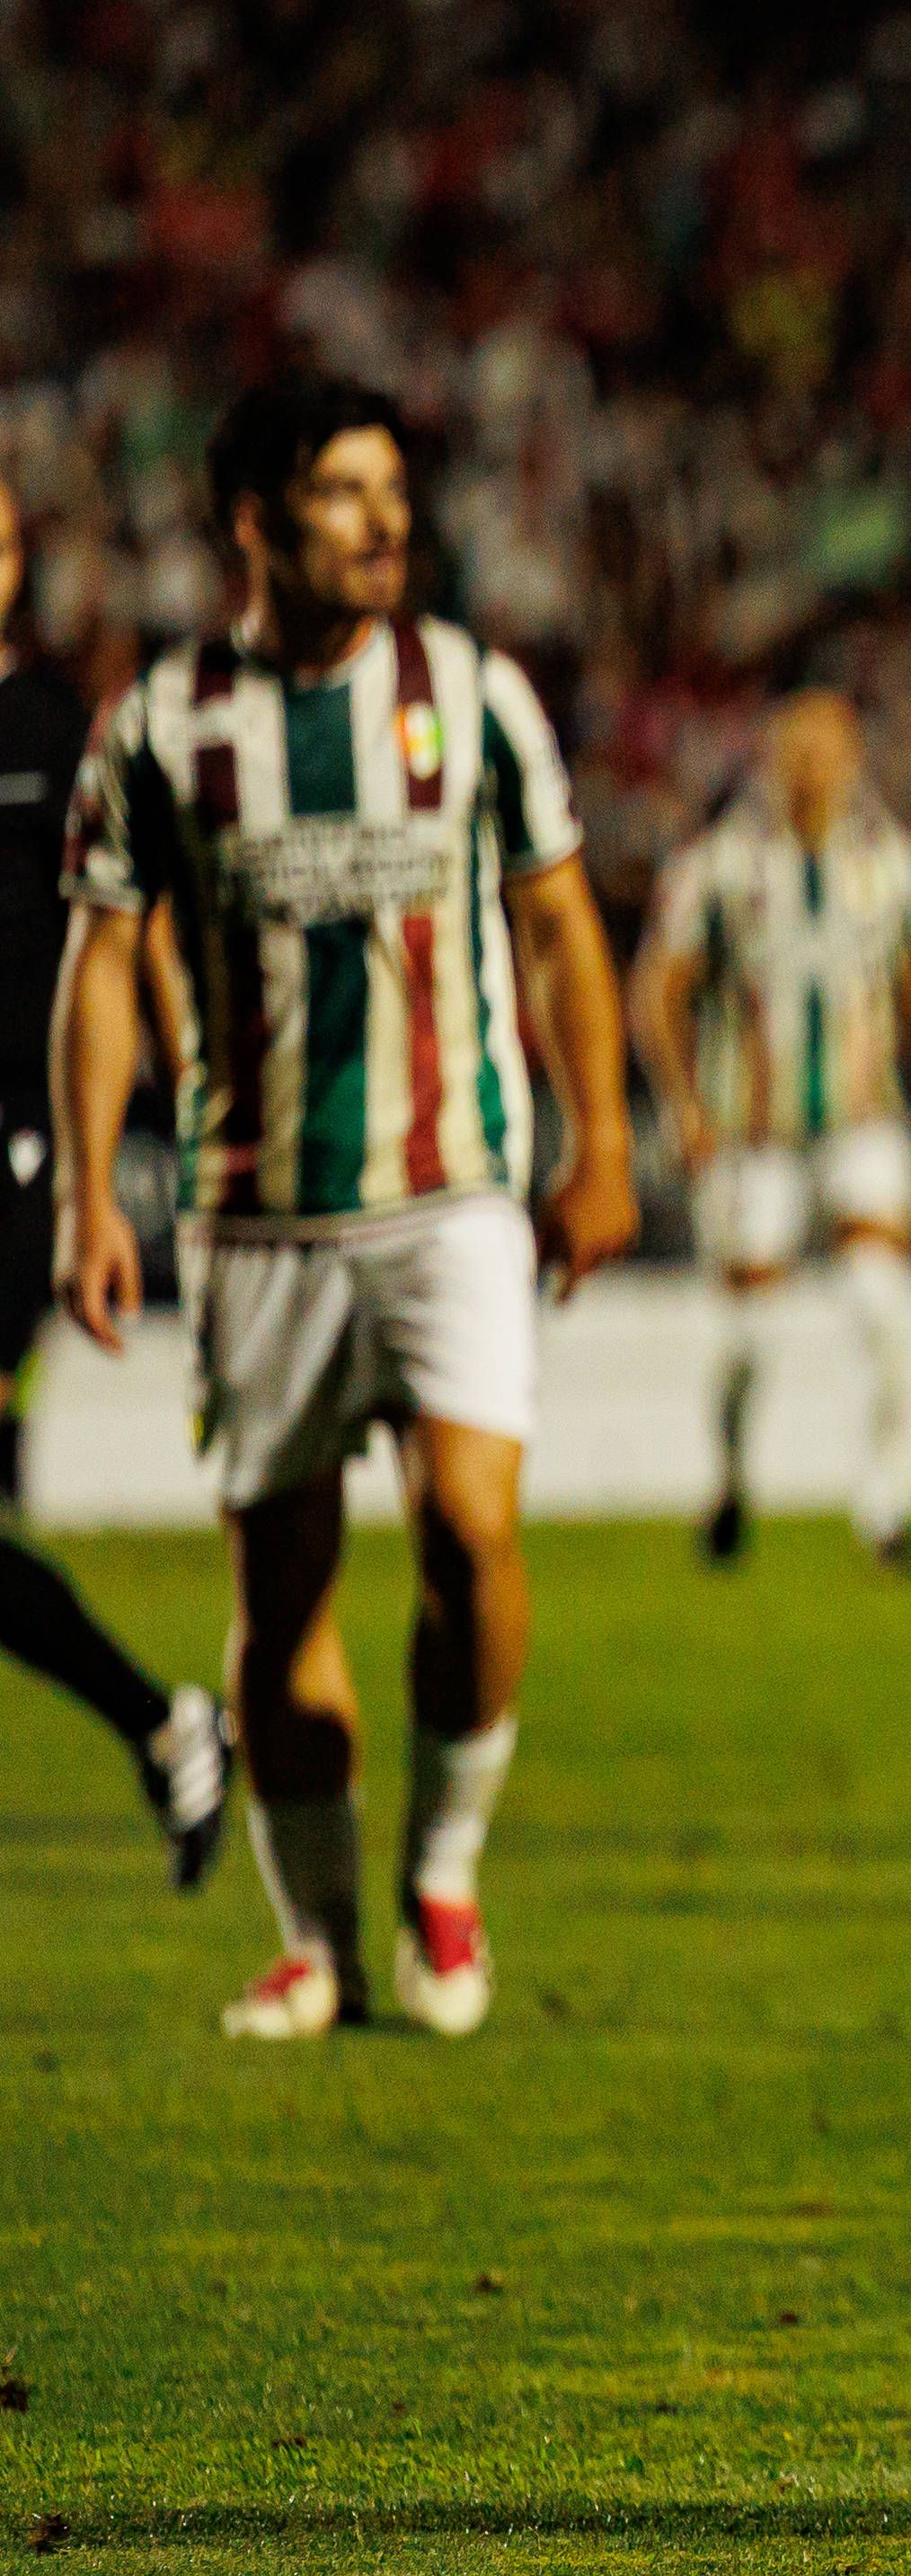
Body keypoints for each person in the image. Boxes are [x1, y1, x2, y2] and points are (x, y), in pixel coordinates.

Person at [57, 375, 640, 2039]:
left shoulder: (470, 694)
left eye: (395, 488)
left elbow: (558, 924)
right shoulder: (166, 724)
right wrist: (91, 1193)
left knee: (471, 1526)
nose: (386, 521)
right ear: (254, 519)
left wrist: (601, 1140)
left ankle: (442, 1875)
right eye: (341, 493)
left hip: (450, 1195)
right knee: (284, 1597)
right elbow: (104, 963)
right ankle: (317, 1937)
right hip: (255, 1221)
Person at [0, 464, 228, 1880]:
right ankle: (165, 1725)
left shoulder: (48, 733)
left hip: (9, 1158)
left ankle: (166, 1725)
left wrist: (167, 1093)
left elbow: (126, 934)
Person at [627, 688, 911, 1572]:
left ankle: (886, 1506)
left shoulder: (893, 864)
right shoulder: (722, 867)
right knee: (750, 1341)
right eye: (798, 751)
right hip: (757, 1136)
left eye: (828, 750)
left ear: (855, 758)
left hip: (864, 1124)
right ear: (771, 761)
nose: (813, 767)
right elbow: (658, 990)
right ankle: (733, 1483)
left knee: (881, 1309)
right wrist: (682, 1104)